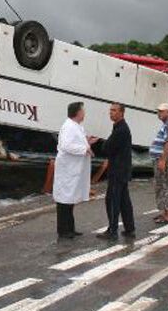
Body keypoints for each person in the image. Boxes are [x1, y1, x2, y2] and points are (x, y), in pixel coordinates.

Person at [53, 101, 96, 239]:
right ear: (77, 112)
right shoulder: (69, 127)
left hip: (73, 170)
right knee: (64, 200)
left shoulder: (77, 126)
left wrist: (87, 142)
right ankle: (64, 230)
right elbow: (66, 145)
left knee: (69, 200)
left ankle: (70, 228)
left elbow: (76, 142)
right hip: (68, 170)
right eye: (83, 110)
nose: (84, 113)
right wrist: (85, 149)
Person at [97, 103, 135, 241]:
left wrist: (104, 143)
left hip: (117, 170)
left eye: (114, 110)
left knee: (112, 200)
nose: (111, 113)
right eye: (110, 110)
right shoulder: (120, 128)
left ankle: (112, 230)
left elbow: (107, 147)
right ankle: (130, 228)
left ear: (121, 113)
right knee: (124, 200)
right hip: (122, 170)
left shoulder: (121, 130)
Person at [149, 103, 168, 224]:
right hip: (161, 158)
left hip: (163, 160)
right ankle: (164, 212)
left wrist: (163, 159)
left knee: (164, 185)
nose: (159, 114)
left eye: (162, 111)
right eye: (159, 111)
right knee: (160, 185)